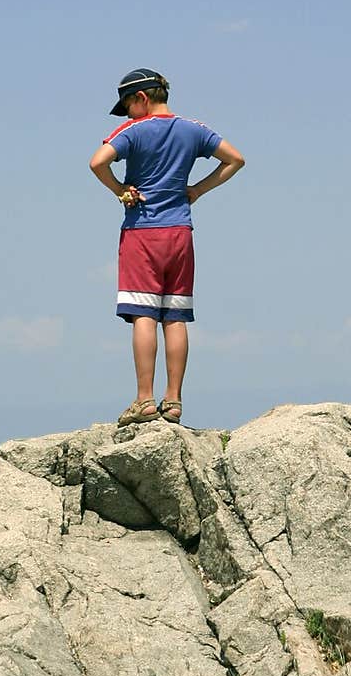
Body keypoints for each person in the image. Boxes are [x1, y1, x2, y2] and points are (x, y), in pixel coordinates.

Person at [89, 68, 245, 427]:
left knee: (142, 313)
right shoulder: (195, 129)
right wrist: (197, 190)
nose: (127, 113)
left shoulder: (132, 131)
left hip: (142, 232)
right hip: (180, 232)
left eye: (128, 105)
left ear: (141, 98)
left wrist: (119, 190)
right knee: (175, 316)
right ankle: (173, 401)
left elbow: (97, 162)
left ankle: (145, 399)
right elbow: (235, 159)